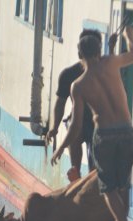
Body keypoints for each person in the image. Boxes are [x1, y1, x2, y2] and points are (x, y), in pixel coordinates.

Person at [50, 26, 133, 221]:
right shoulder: (111, 63)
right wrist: (129, 37)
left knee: (108, 189)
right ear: (100, 50)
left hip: (105, 136)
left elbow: (77, 126)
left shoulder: (78, 85)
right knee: (123, 186)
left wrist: (61, 147)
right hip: (127, 131)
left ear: (80, 55)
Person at [46, 30, 101, 182]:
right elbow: (60, 103)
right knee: (74, 130)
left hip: (99, 124)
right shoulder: (69, 75)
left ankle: (92, 179)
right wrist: (54, 127)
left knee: (94, 159)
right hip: (80, 120)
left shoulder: (105, 72)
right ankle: (75, 174)